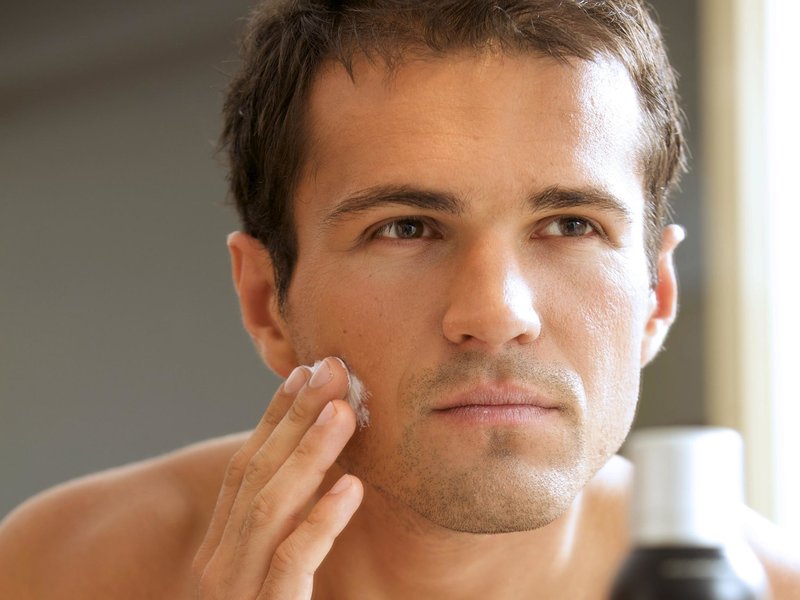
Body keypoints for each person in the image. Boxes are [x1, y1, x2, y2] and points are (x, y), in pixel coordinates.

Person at [1, 1, 798, 598]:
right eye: (406, 228)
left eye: (570, 225)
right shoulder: (56, 573)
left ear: (656, 296)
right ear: (267, 302)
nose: (497, 313)